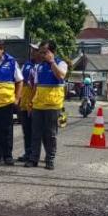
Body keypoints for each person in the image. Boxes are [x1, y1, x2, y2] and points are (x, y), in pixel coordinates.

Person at [26, 40, 67, 170]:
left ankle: (50, 159)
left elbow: (60, 75)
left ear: (52, 52)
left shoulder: (61, 63)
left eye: (45, 52)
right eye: (41, 52)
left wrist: (52, 62)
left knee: (51, 134)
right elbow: (35, 87)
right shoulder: (38, 66)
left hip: (53, 105)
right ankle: (34, 159)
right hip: (38, 105)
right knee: (36, 134)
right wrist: (30, 103)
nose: (42, 55)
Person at [17, 44, 40, 162]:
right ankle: (28, 152)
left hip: (37, 102)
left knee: (36, 131)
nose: (32, 52)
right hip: (25, 102)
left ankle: (35, 155)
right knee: (26, 130)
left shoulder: (42, 66)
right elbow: (20, 81)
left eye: (35, 50)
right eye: (32, 50)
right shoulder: (26, 64)